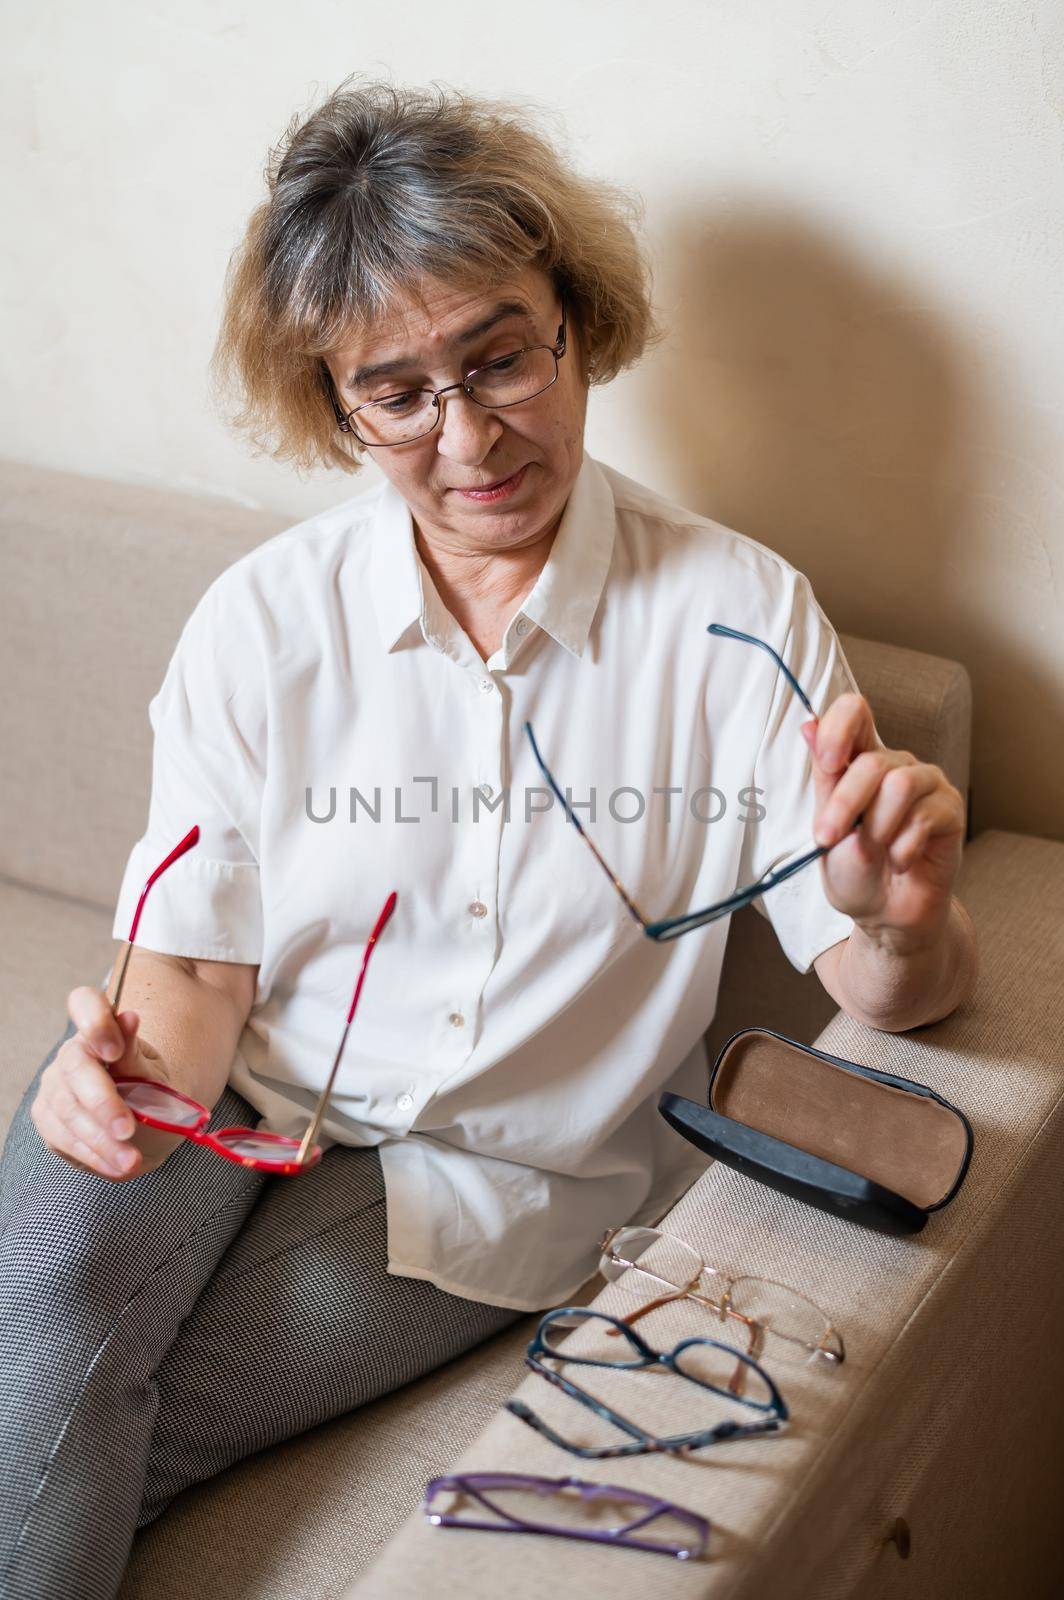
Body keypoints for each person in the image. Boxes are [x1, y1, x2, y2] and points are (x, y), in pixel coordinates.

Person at [0, 77, 977, 1600]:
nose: (468, 436)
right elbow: (189, 977)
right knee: (37, 1311)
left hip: (487, 1181)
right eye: (395, 392)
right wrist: (109, 1073)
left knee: (90, 1419)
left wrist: (901, 914)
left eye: (500, 357)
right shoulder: (260, 624)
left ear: (574, 324)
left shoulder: (739, 618)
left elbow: (889, 991)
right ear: (335, 408)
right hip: (229, 1091)